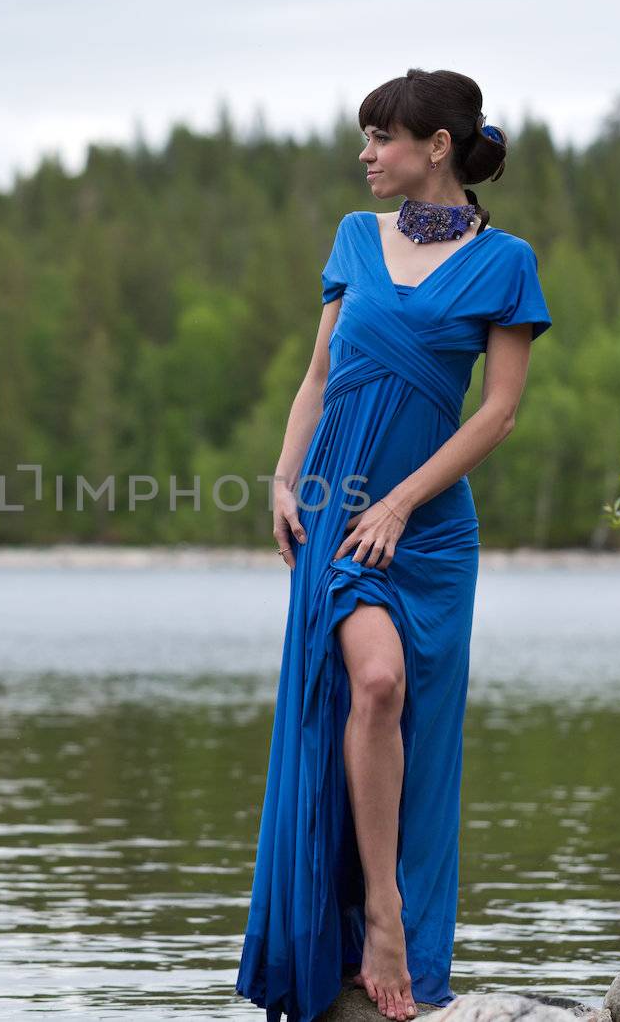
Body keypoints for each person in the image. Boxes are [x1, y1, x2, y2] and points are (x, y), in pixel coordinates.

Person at [234, 68, 553, 1022]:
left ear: (438, 147)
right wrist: (283, 479)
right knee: (371, 685)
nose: (367, 155)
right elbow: (320, 372)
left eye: (383, 137)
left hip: (429, 529)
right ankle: (378, 918)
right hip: (338, 513)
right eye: (365, 138)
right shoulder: (352, 238)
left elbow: (496, 415)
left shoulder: (507, 263)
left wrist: (405, 504)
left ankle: (399, 925)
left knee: (416, 723)